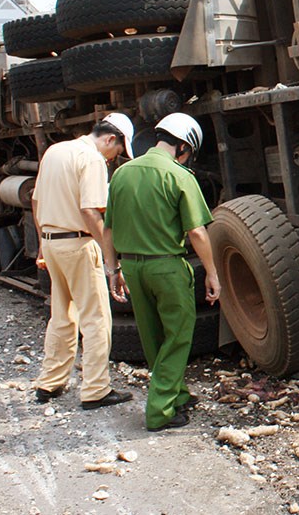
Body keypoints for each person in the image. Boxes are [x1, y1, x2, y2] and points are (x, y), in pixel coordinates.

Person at [104, 113, 220, 432]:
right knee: (178, 335)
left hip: (132, 265)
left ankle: (177, 393)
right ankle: (161, 410)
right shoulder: (180, 176)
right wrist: (212, 273)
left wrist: (112, 269)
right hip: (166, 266)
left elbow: (108, 229)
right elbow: (196, 232)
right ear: (183, 146)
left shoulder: (122, 173)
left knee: (152, 336)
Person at [32, 113, 135, 409]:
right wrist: (110, 258)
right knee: (96, 318)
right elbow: (91, 211)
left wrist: (42, 242)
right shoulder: (91, 160)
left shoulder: (55, 151)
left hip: (52, 242)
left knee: (62, 315)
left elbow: (36, 201)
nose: (115, 158)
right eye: (117, 152)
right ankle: (95, 389)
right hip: (78, 244)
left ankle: (49, 383)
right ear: (110, 139)